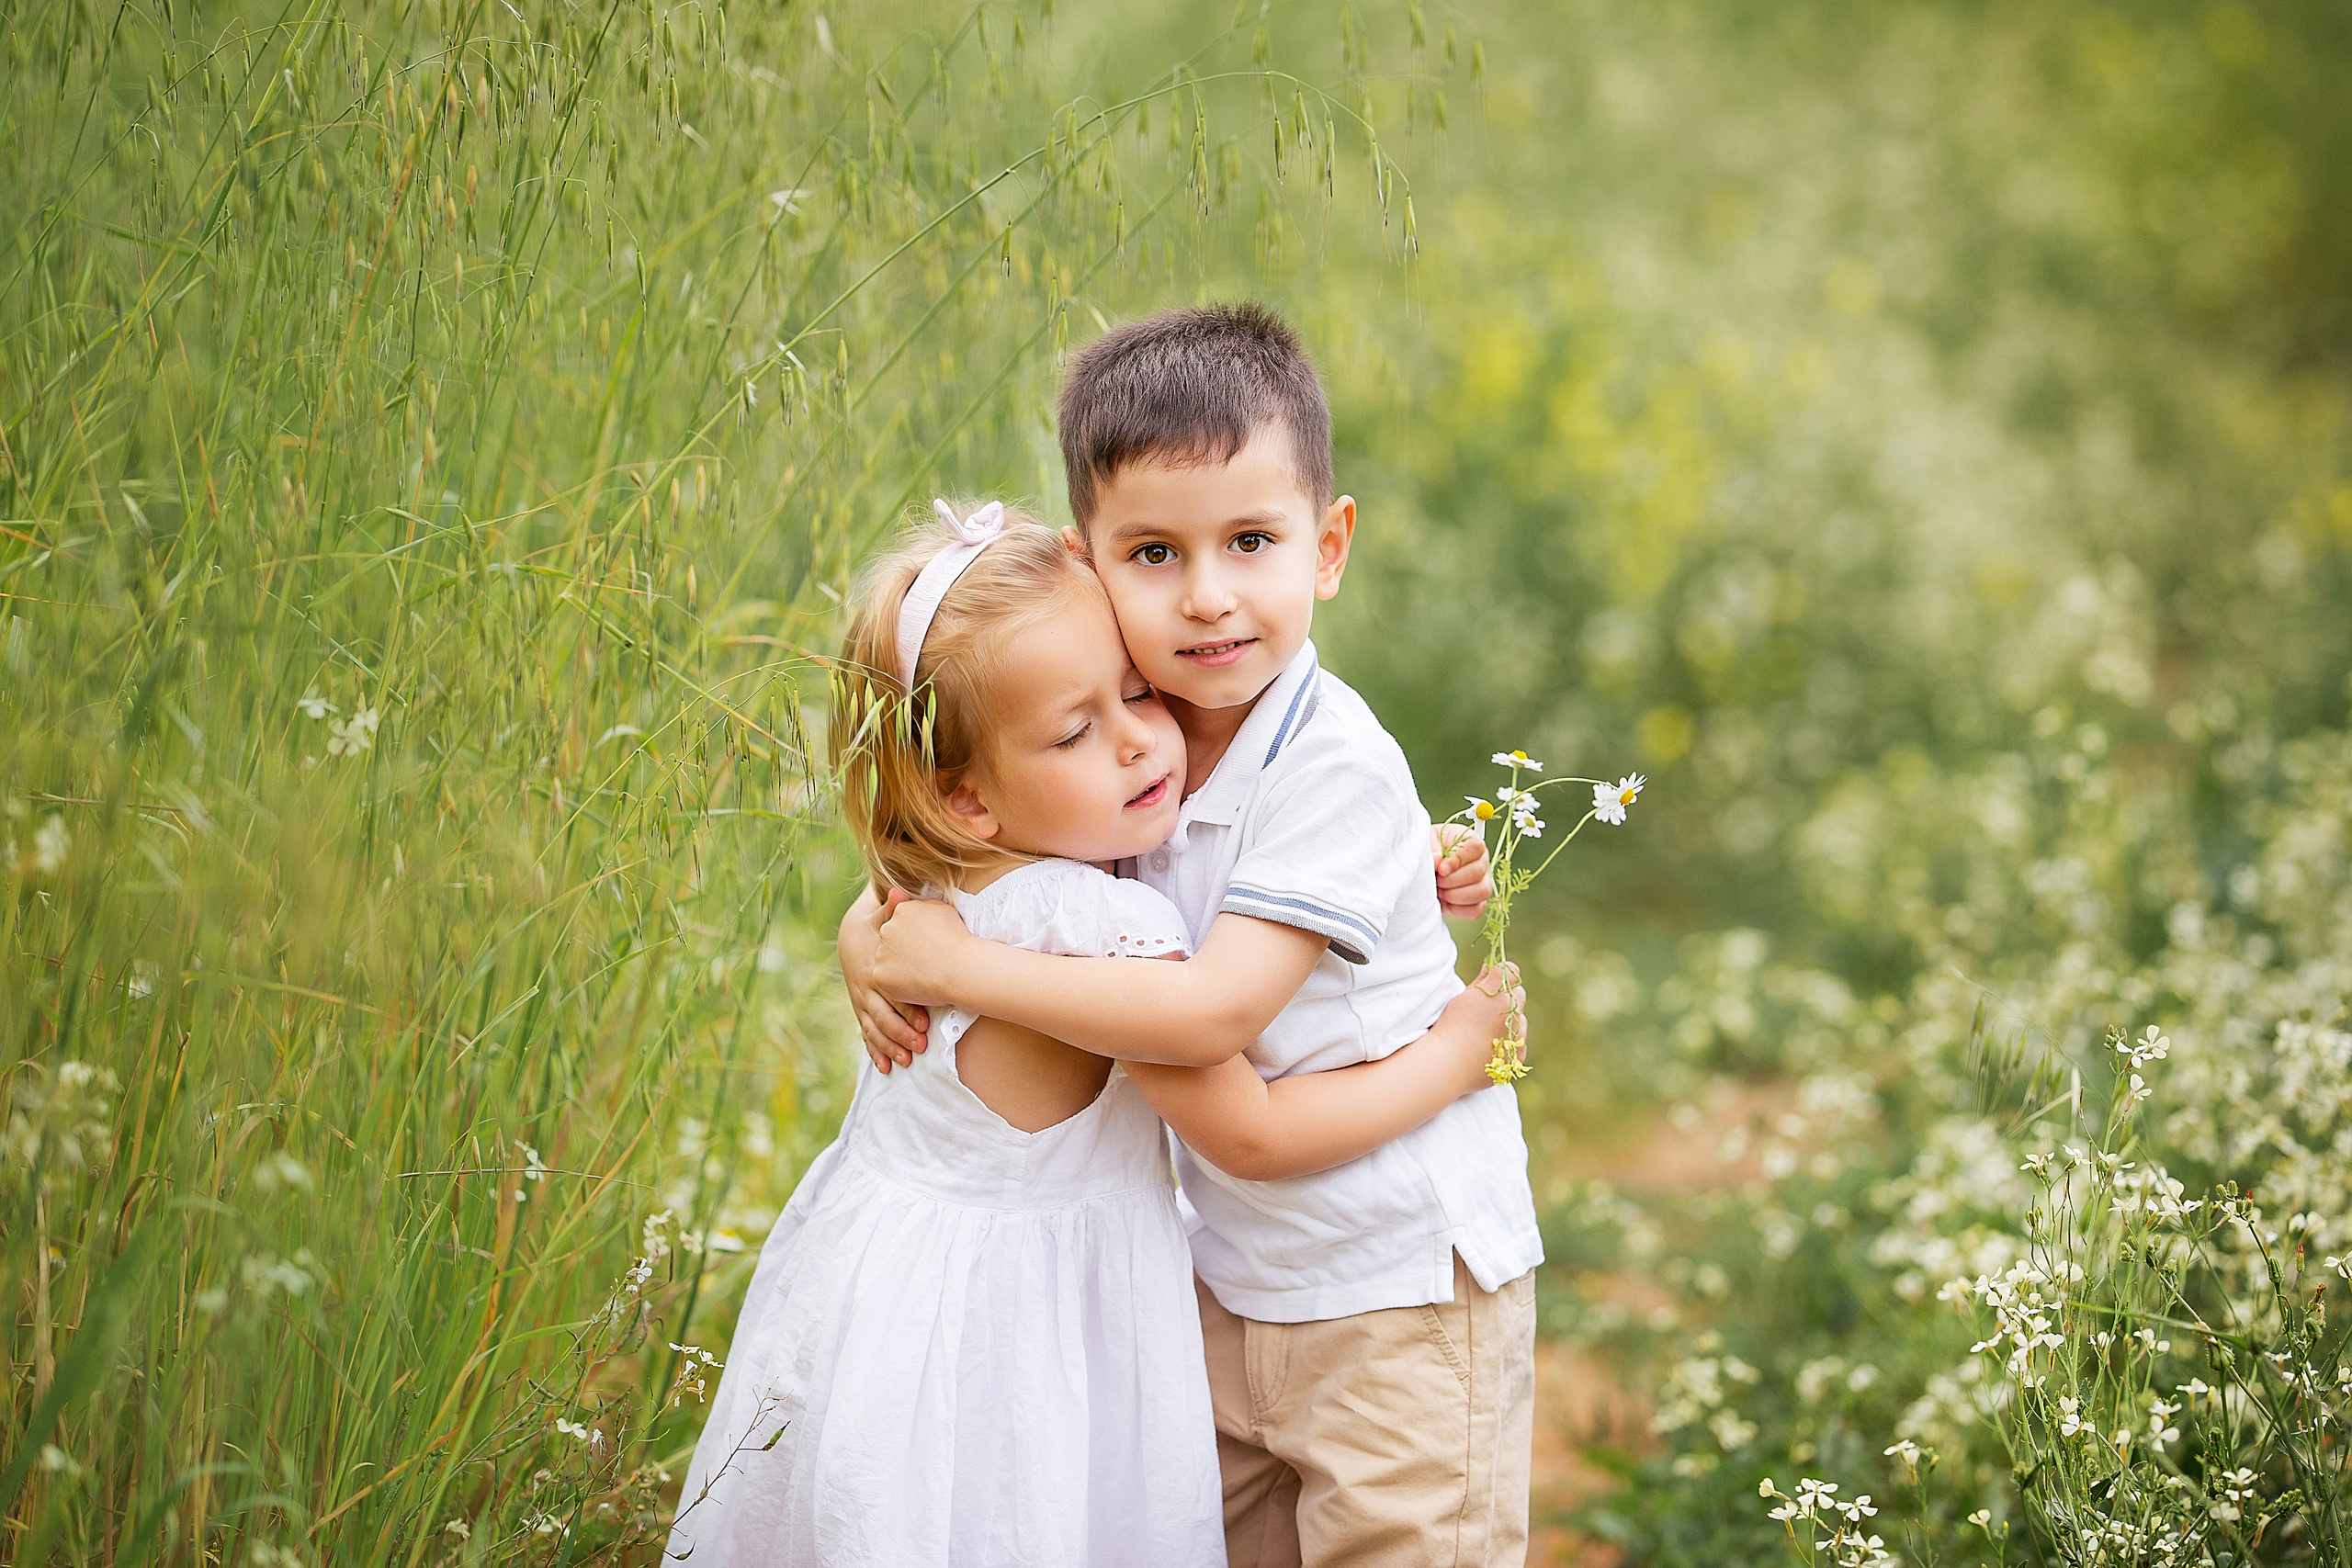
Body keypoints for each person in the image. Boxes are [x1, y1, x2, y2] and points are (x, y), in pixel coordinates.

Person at [670, 499, 1520, 1568]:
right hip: (1030, 1332)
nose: (1137, 740)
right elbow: (1244, 1128)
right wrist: (1456, 1053)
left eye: (1137, 692)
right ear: (966, 798)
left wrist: (1385, 857)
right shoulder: (1107, 928)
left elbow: (904, 896)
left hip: (878, 1309)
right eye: (1075, 731)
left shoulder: (924, 893)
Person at [845, 305, 1546, 1568]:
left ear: (1328, 547)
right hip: (1226, 1279)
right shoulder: (1131, 742)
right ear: (1089, 563)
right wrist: (872, 930)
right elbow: (971, 849)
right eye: (1156, 552)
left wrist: (1463, 1051)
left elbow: (1216, 1015)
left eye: (1252, 541)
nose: (1208, 594)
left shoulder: (1329, 764)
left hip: (1396, 1279)